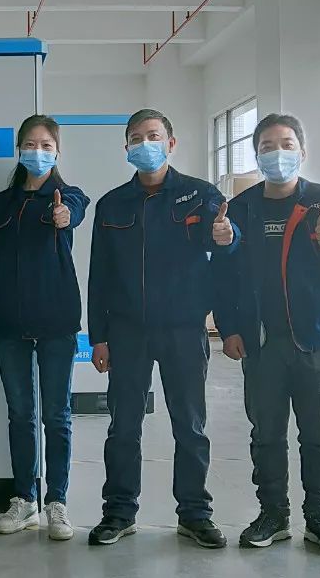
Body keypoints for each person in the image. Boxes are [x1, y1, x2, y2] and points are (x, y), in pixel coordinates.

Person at [87, 109, 238, 548]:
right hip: (127, 332)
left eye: (153, 136)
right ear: (126, 148)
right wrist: (99, 336)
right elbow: (100, 275)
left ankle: (195, 513)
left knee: (189, 426)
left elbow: (222, 242)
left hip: (183, 329)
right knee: (123, 426)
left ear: (170, 143)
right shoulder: (112, 204)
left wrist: (228, 237)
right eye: (136, 138)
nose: (145, 144)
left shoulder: (200, 195)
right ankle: (119, 512)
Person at [212, 113, 320, 555]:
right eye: (268, 146)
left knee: (318, 434)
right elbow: (225, 274)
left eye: (286, 144)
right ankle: (273, 514)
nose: (278, 153)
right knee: (267, 433)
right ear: (257, 156)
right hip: (261, 342)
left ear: (302, 151)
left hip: (316, 338)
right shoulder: (241, 207)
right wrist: (229, 328)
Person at [0, 115, 90, 541]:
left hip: (57, 322)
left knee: (57, 416)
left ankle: (57, 502)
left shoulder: (69, 196)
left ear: (57, 152)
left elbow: (73, 213)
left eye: (46, 145)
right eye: (30, 144)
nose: (37, 152)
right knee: (21, 414)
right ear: (19, 149)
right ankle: (24, 500)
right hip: (8, 325)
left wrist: (63, 215)